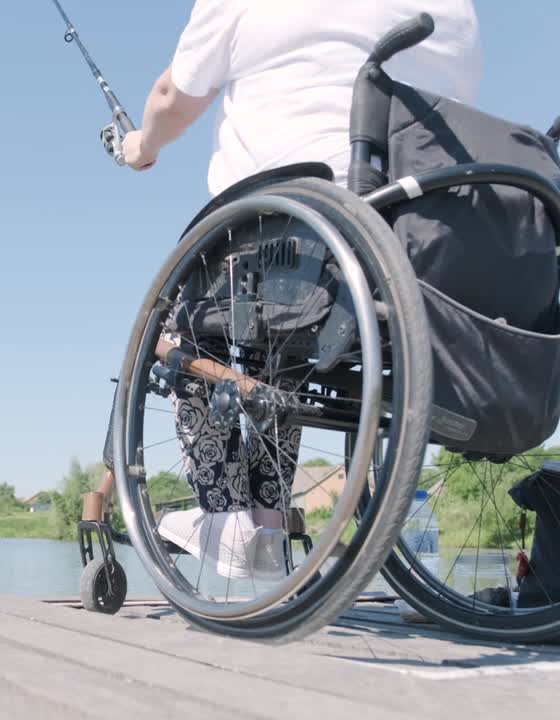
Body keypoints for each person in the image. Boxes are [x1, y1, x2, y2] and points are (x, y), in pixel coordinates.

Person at [122, 0, 482, 580]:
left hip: (294, 228)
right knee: (283, 347)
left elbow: (171, 99)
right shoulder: (456, 9)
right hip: (411, 246)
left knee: (174, 334)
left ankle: (227, 520)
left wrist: (142, 146)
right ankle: (266, 529)